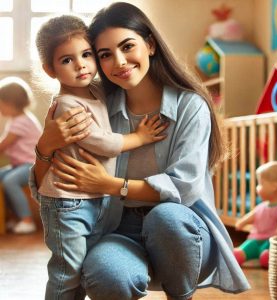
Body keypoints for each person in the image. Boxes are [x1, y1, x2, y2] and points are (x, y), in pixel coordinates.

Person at [30, 2, 250, 300]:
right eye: (105, 54)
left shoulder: (190, 106)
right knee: (105, 275)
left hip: (182, 233)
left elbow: (184, 188)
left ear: (150, 45)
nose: (119, 61)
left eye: (127, 46)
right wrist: (46, 146)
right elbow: (43, 184)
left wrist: (109, 185)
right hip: (119, 227)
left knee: (167, 217)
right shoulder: (91, 103)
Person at [35, 14, 167, 300]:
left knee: (81, 269)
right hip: (65, 202)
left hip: (92, 198)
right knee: (66, 272)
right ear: (50, 70)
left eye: (86, 54)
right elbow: (103, 143)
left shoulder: (95, 90)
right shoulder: (68, 105)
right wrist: (140, 138)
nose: (81, 64)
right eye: (67, 60)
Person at [0, 76, 42, 234]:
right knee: (3, 177)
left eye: (0, 104)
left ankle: (27, 220)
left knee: (10, 181)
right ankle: (13, 217)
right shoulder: (16, 120)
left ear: (10, 103)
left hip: (33, 165)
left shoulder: (22, 122)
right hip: (20, 165)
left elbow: (3, 145)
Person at [233, 161, 277, 269]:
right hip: (255, 239)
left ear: (274, 186)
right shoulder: (262, 206)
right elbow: (253, 215)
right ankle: (239, 254)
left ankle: (268, 257)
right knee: (248, 247)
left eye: (260, 183)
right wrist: (243, 222)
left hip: (270, 240)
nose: (257, 187)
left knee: (269, 249)